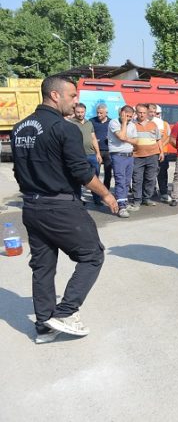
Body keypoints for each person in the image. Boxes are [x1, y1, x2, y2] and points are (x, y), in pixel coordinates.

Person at [10, 75, 118, 343]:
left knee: (43, 267)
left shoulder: (20, 128)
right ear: (55, 95)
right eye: (72, 96)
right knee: (93, 255)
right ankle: (66, 312)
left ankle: (45, 327)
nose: (76, 101)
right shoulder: (64, 128)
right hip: (60, 206)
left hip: (32, 207)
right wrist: (106, 193)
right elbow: (81, 171)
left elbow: (18, 170)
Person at [130, 104, 163, 208]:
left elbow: (158, 139)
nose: (142, 114)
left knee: (150, 178)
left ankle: (146, 198)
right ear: (136, 113)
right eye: (140, 112)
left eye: (144, 112)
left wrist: (161, 152)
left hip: (152, 155)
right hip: (137, 156)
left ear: (147, 113)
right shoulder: (132, 125)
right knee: (137, 179)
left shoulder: (153, 124)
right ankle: (137, 200)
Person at [108, 106, 138, 218]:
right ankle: (121, 207)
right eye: (127, 116)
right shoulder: (114, 123)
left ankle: (124, 202)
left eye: (130, 116)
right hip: (118, 155)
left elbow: (136, 141)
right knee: (120, 180)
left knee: (126, 182)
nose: (129, 118)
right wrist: (124, 123)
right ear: (121, 113)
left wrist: (127, 139)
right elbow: (121, 136)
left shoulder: (133, 125)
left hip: (129, 155)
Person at [71, 103, 101, 204]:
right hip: (78, 156)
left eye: (82, 112)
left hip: (92, 155)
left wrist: (98, 153)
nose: (80, 114)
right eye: (78, 112)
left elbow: (93, 138)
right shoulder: (70, 123)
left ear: (85, 112)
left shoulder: (89, 123)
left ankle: (97, 199)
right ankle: (78, 200)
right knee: (78, 179)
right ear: (74, 112)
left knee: (95, 178)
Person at [150, 104, 173, 203]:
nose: (156, 115)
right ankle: (152, 191)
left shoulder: (165, 124)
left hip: (163, 153)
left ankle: (163, 192)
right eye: (155, 113)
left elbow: (168, 137)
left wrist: (161, 146)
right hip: (151, 153)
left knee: (162, 174)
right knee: (150, 174)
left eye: (158, 113)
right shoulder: (148, 124)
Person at [90, 104, 112, 194]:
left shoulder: (111, 122)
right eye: (97, 113)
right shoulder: (92, 121)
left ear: (106, 113)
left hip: (108, 151)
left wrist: (110, 138)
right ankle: (95, 192)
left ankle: (105, 191)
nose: (99, 115)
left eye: (101, 113)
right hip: (96, 151)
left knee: (108, 173)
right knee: (95, 173)